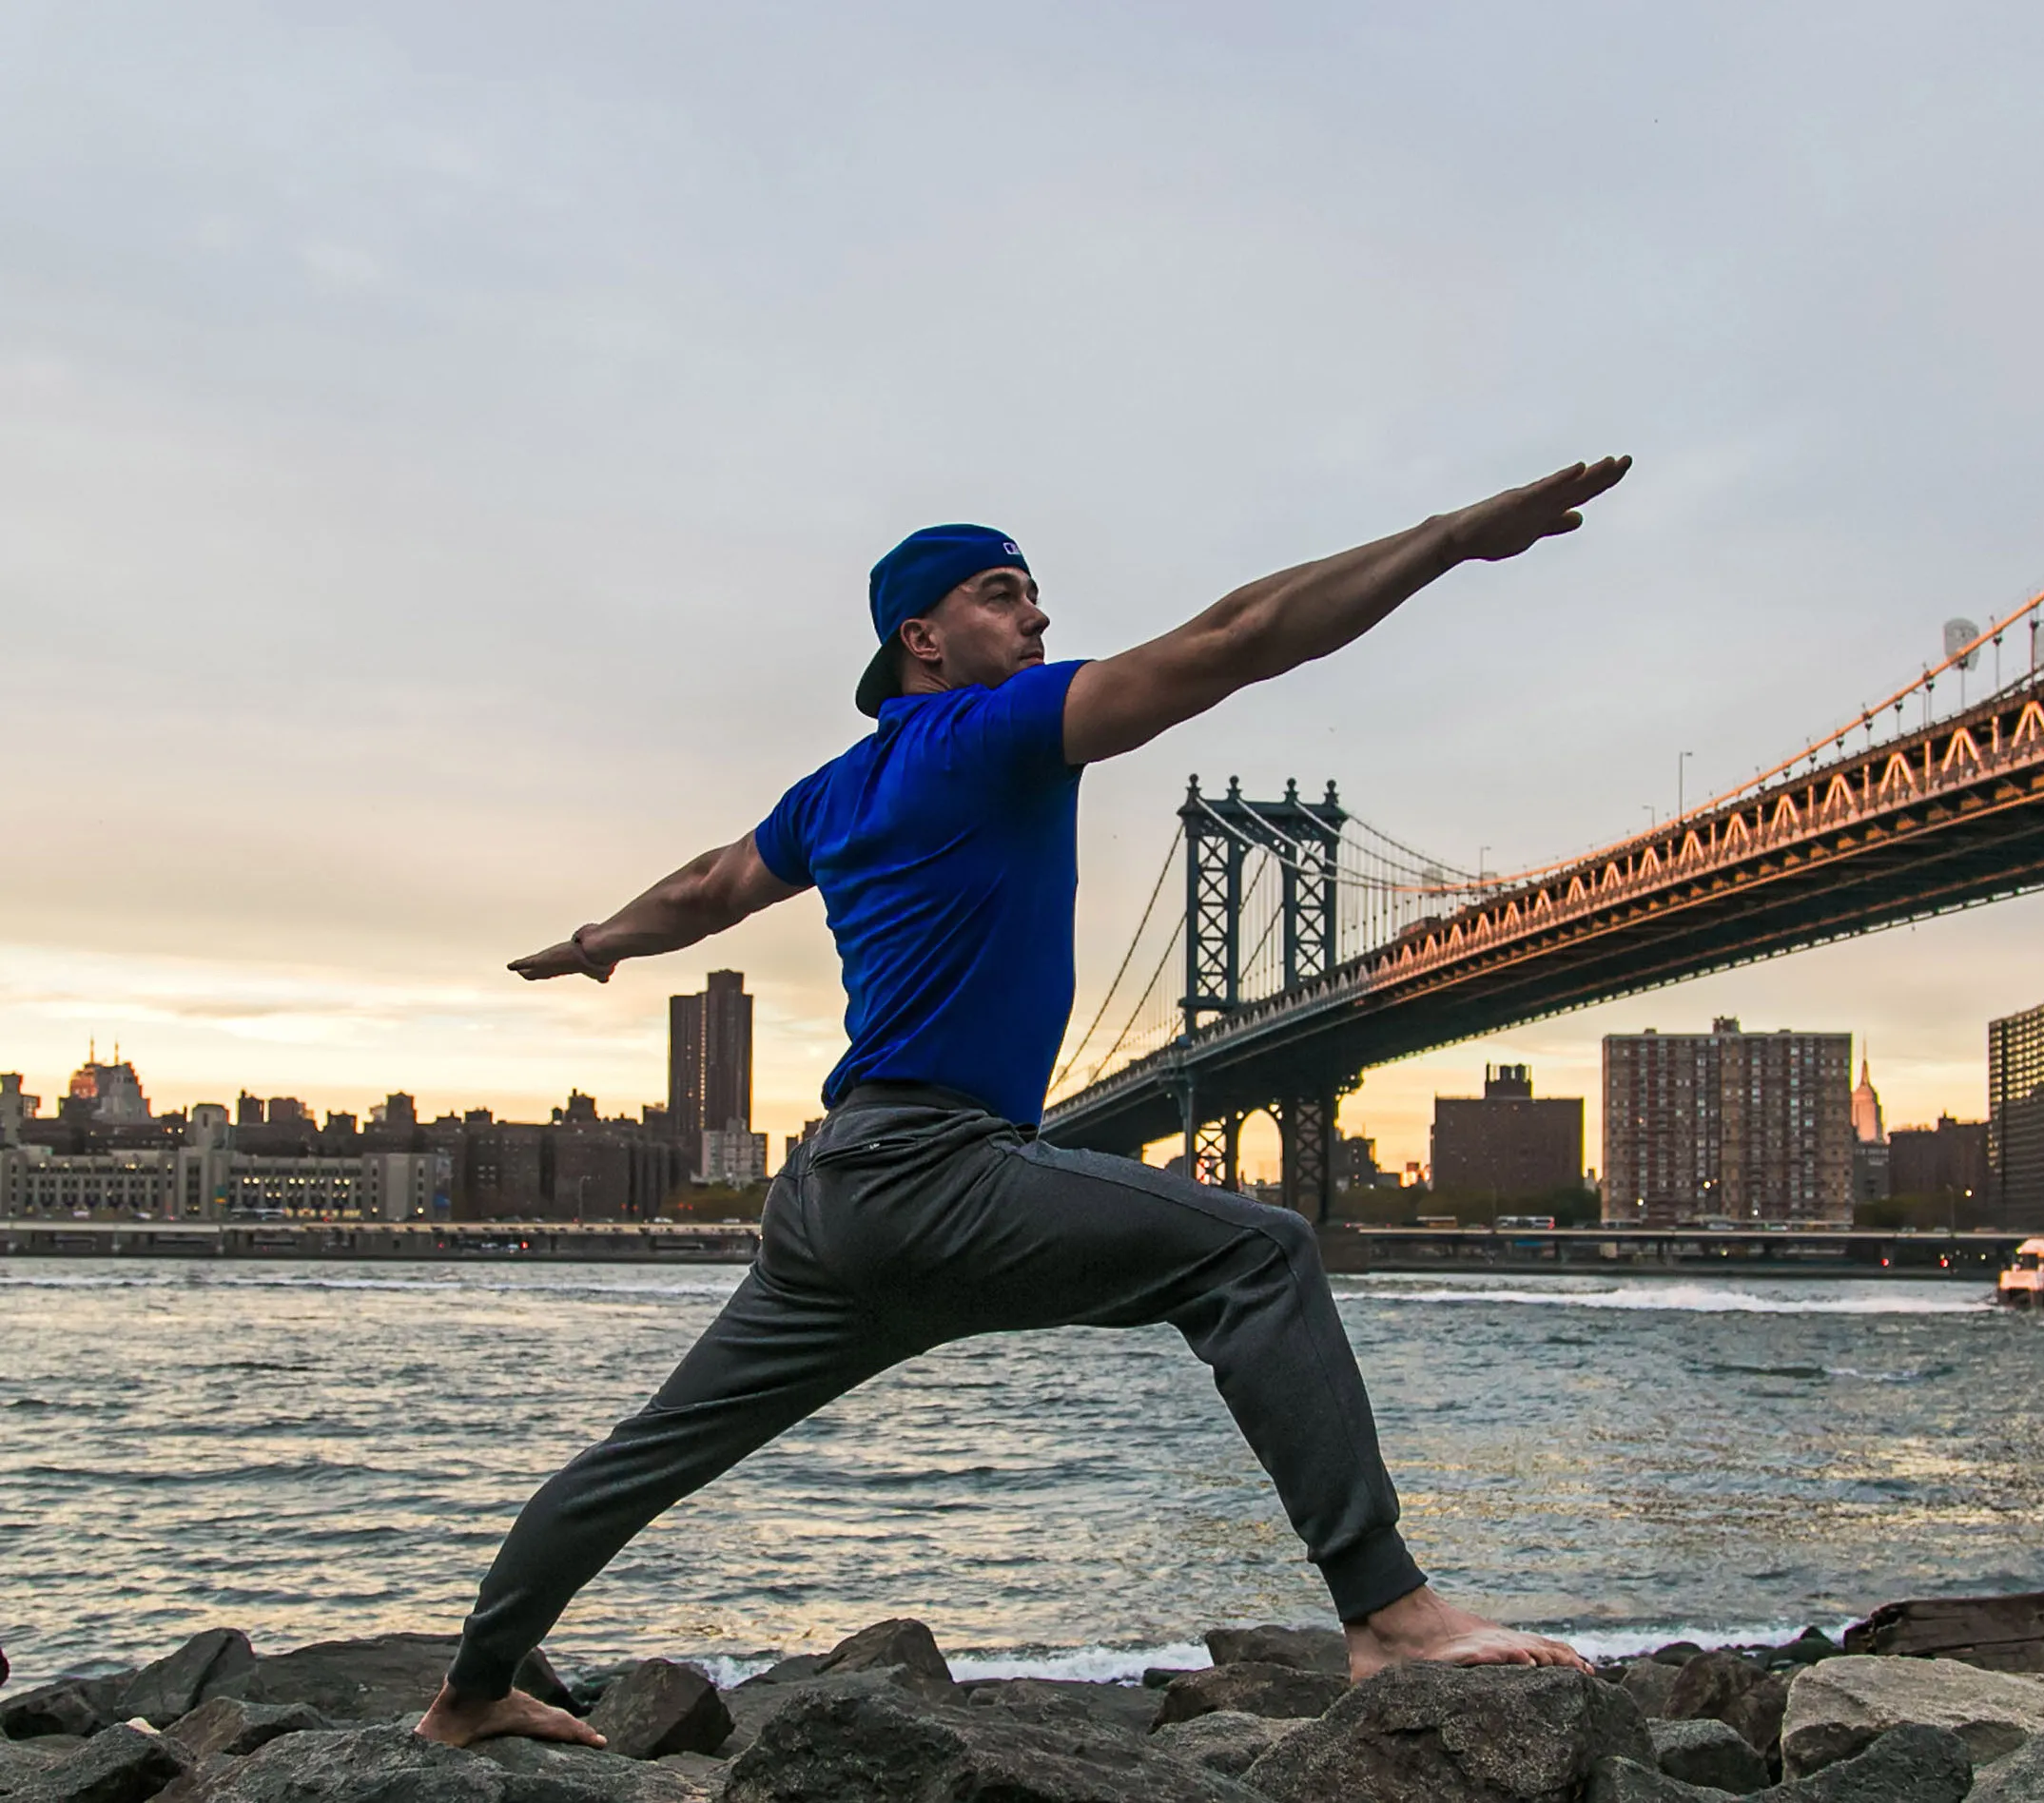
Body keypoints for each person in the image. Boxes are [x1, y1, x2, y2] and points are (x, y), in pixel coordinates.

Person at [416, 456, 1632, 1748]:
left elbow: (713, 883)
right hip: (933, 1175)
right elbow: (1236, 639)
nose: (1040, 618)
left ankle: (474, 1689)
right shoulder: (991, 734)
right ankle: (1388, 1614)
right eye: (1006, 596)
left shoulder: (836, 789)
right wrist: (1447, 537)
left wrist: (602, 938)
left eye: (1038, 596)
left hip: (833, 1204)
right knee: (1262, 1255)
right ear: (922, 638)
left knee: (650, 1452)